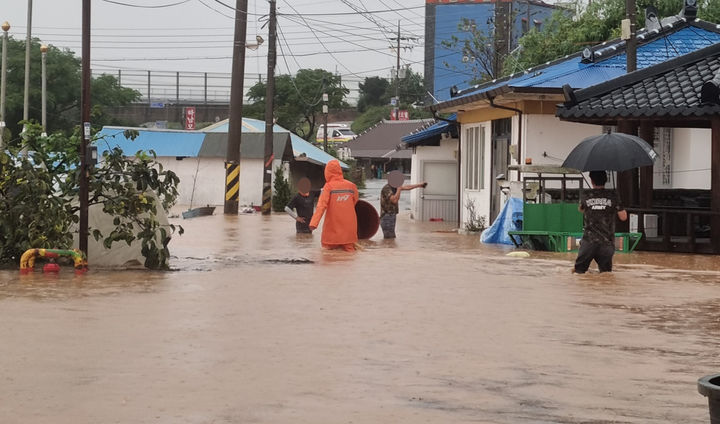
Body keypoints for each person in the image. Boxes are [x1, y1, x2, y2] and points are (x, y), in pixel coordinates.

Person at [574, 170, 628, 273]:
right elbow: (623, 217)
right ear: (606, 180)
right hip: (606, 243)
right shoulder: (613, 195)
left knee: (579, 273)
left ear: (591, 181)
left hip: (588, 242)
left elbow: (580, 209)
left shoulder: (586, 195)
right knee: (606, 275)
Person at [309, 159, 359, 252]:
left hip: (332, 230)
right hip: (349, 230)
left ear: (327, 172)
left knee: (328, 255)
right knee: (350, 254)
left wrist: (313, 223)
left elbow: (321, 206)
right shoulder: (351, 186)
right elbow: (355, 201)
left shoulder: (328, 187)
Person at [380, 171, 427, 239]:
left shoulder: (394, 186)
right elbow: (394, 200)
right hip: (387, 217)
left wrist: (419, 185)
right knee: (390, 239)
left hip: (391, 216)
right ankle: (388, 249)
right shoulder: (387, 188)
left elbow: (407, 187)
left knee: (390, 240)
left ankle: (389, 249)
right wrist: (399, 189)